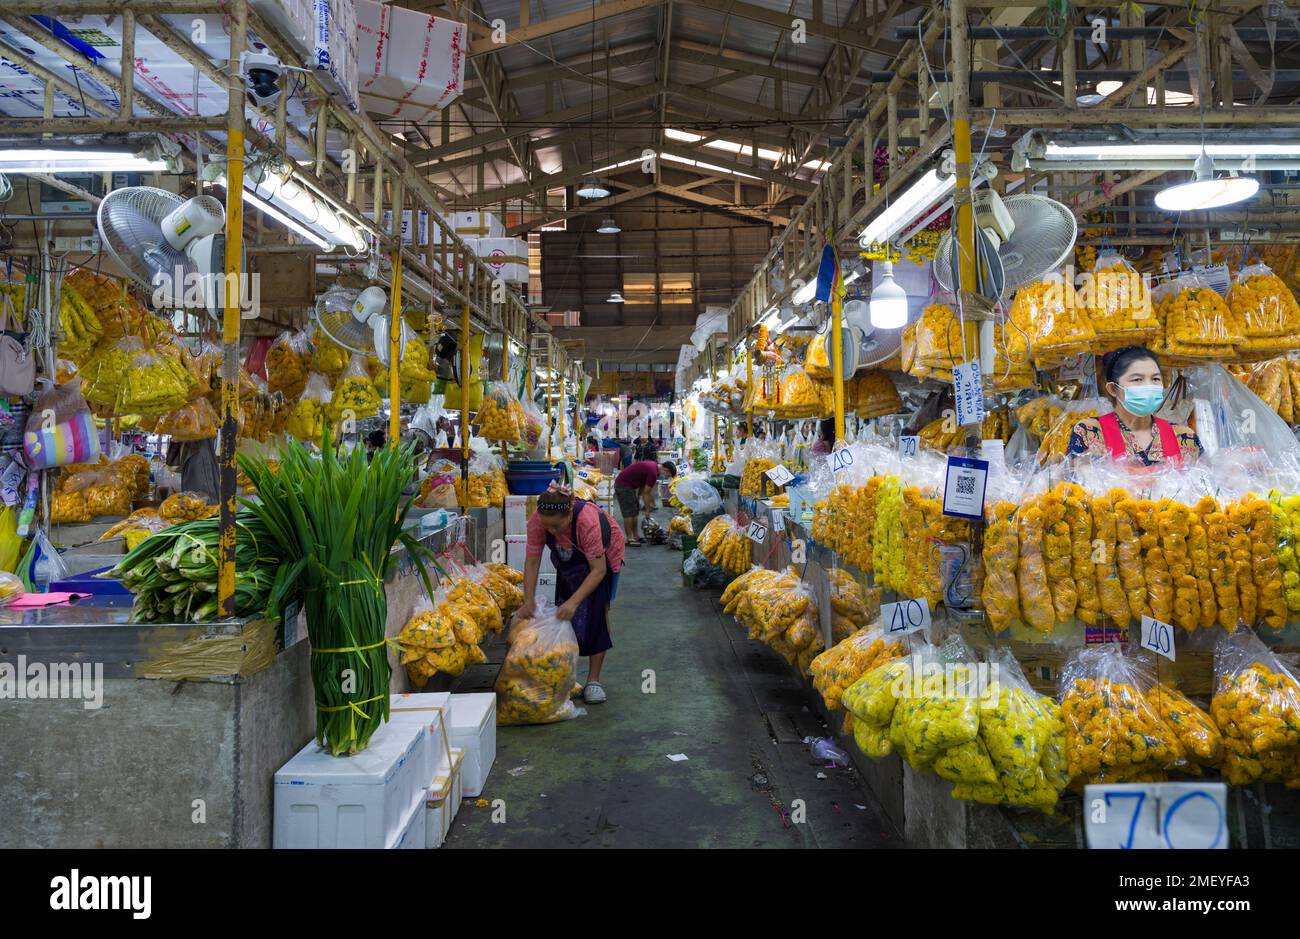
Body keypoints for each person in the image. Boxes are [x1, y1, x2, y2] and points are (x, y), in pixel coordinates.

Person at [518, 482, 624, 704]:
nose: (552, 532)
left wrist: (575, 602)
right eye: (547, 528)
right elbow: (532, 561)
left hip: (603, 559)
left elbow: (598, 570)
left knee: (596, 613)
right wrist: (528, 600)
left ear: (569, 514)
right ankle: (566, 675)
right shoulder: (539, 520)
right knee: (563, 614)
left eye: (557, 527)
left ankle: (594, 680)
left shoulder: (586, 521)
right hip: (568, 563)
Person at [1067, 344, 1202, 467]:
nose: (1148, 386)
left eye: (1155, 379)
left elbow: (1204, 487)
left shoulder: (1185, 437)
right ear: (1113, 389)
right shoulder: (1089, 432)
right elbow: (1072, 488)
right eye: (1137, 379)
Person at [614, 456, 677, 545]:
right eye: (668, 475)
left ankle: (636, 536)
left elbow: (643, 485)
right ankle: (629, 539)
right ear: (665, 470)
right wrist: (648, 510)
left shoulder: (654, 468)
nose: (666, 477)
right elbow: (646, 493)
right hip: (623, 485)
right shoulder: (653, 472)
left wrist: (638, 497)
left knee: (635, 512)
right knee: (629, 513)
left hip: (629, 485)